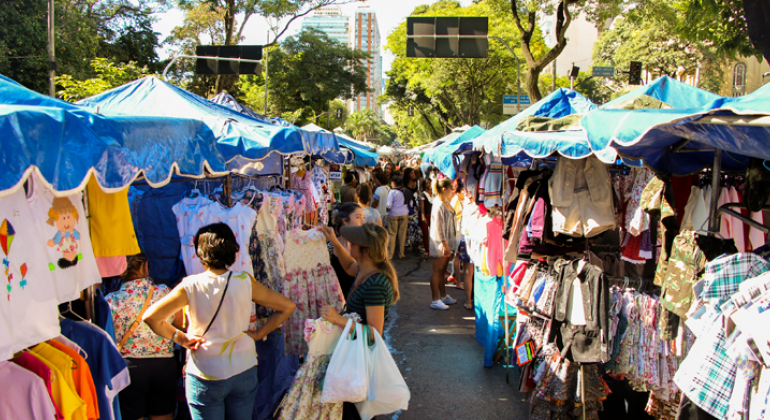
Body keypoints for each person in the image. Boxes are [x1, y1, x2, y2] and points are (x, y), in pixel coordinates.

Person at [143, 223, 296, 420]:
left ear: (200, 252)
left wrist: (180, 338)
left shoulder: (191, 285)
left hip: (205, 371)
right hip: (243, 368)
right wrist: (258, 334)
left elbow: (151, 317)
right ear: (232, 251)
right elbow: (287, 307)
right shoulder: (244, 281)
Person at [320, 223, 400, 420]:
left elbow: (374, 332)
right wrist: (333, 241)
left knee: (355, 410)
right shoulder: (366, 270)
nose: (349, 245)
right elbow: (347, 265)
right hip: (357, 354)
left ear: (365, 250)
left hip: (362, 359)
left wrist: (337, 319)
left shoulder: (375, 283)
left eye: (352, 243)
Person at [106, 253, 184, 420]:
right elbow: (181, 323)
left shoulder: (110, 300)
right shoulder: (164, 293)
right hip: (164, 367)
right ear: (145, 266)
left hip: (129, 369)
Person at [428, 179, 457, 310]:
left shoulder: (445, 202)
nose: (453, 190)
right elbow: (439, 227)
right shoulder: (439, 204)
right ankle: (435, 299)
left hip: (446, 242)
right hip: (440, 242)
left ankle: (443, 295)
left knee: (442, 271)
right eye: (451, 188)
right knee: (437, 271)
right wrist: (445, 244)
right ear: (444, 189)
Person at [329, 203, 367, 298]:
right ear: (345, 221)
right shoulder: (329, 248)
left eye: (364, 217)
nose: (364, 222)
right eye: (358, 217)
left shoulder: (364, 247)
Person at [386, 176, 410, 260]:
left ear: (394, 183)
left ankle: (390, 255)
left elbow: (388, 205)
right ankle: (401, 254)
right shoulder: (406, 190)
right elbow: (410, 202)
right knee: (402, 234)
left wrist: (386, 210)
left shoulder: (392, 192)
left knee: (392, 234)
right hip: (404, 213)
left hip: (393, 214)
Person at [418, 177, 433, 259]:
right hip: (425, 215)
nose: (428, 184)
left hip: (432, 215)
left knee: (434, 233)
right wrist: (423, 216)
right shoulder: (422, 193)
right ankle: (427, 251)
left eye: (429, 183)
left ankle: (433, 250)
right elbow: (422, 206)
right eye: (426, 183)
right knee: (425, 234)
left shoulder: (434, 193)